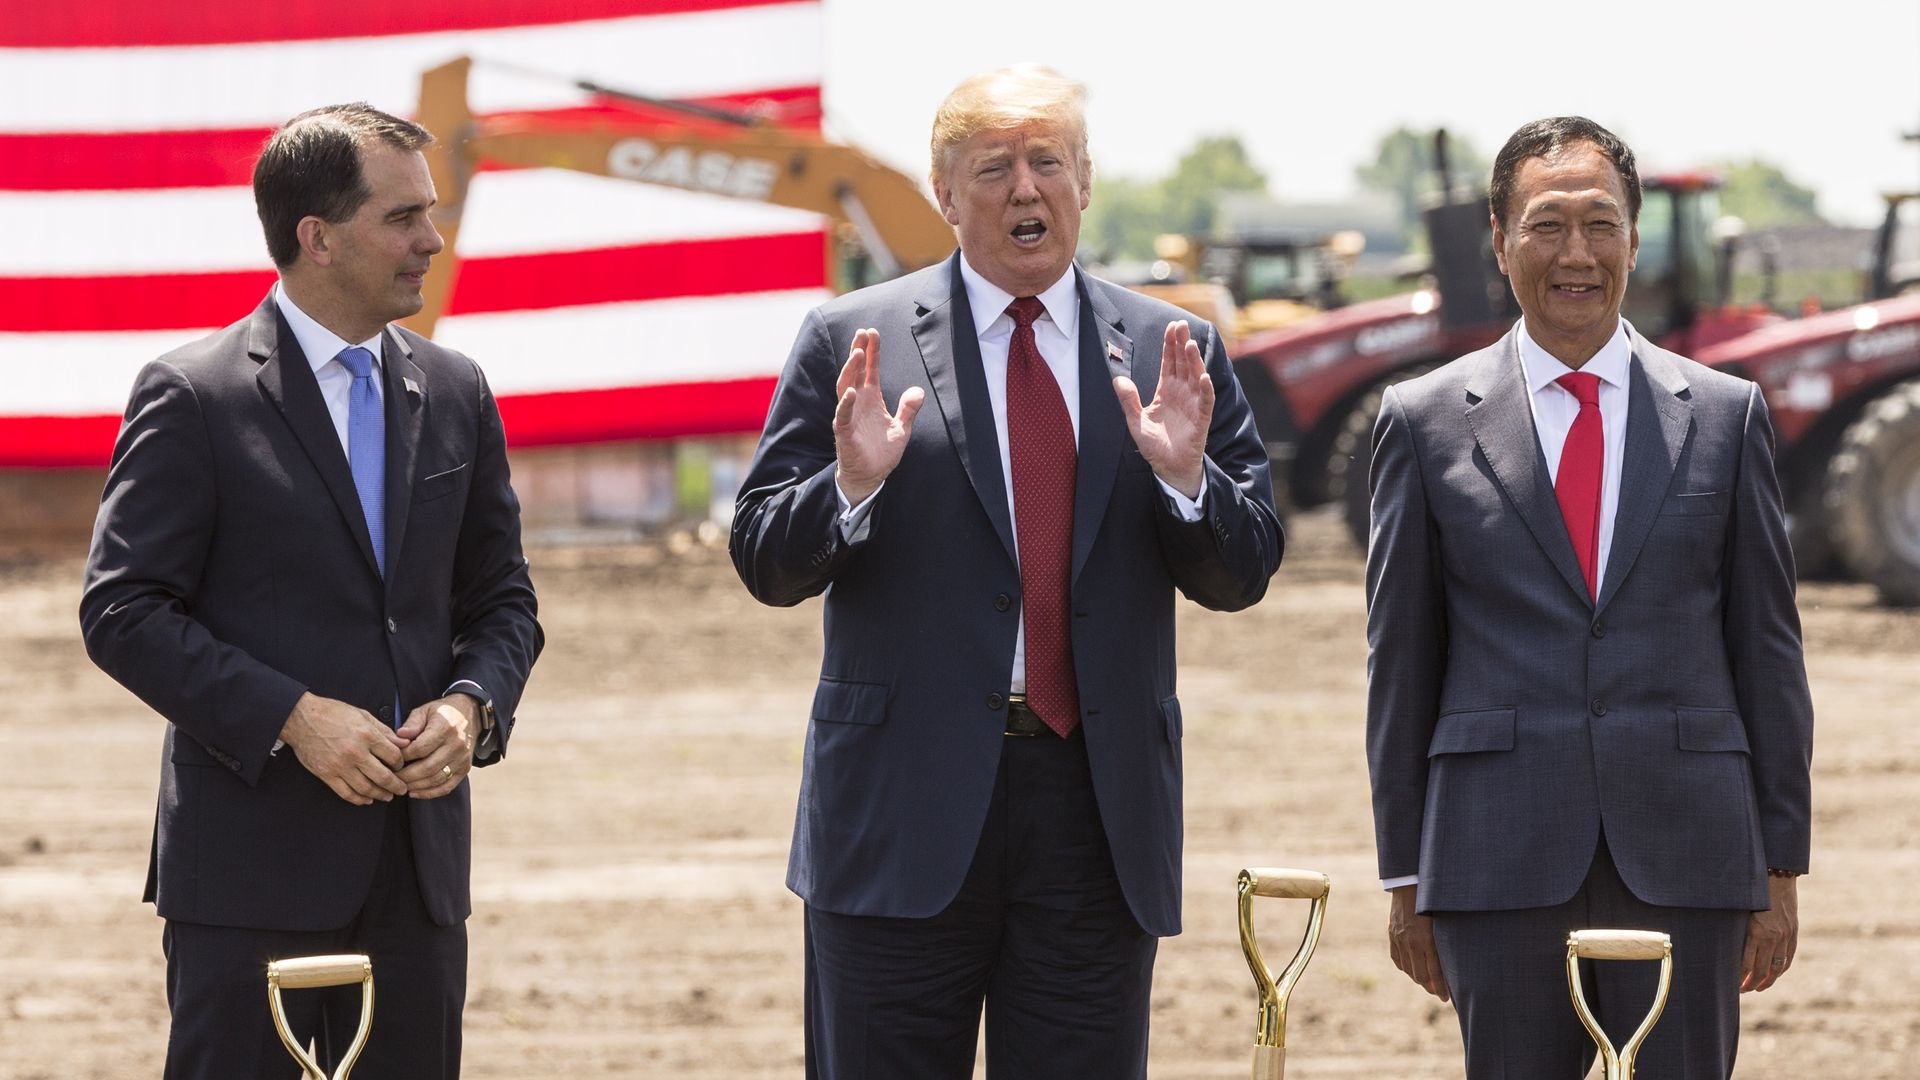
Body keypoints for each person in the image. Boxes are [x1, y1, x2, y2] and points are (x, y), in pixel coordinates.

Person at [731, 65, 1282, 1079]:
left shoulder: (1172, 348)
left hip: (1095, 819)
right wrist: (849, 486)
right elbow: (765, 558)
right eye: (994, 168)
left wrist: (1186, 478)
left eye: (1049, 163)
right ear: (945, 194)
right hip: (900, 816)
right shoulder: (851, 342)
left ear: (1086, 181)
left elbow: (1242, 573)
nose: (1027, 188)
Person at [79, 103, 543, 1079]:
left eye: (430, 212)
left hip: (416, 879)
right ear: (317, 237)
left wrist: (471, 707)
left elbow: (503, 598)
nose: (432, 239)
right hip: (249, 875)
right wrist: (294, 718)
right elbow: (122, 612)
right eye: (403, 217)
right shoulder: (193, 395)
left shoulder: (456, 390)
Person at [1364, 116, 1813, 1079]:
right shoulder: (1423, 422)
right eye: (1548, 225)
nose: (1577, 253)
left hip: (1689, 852)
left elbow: (1768, 652)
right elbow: (1400, 663)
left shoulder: (1725, 416)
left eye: (1601, 224)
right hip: (1496, 856)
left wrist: (1779, 862)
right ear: (1500, 239)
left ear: (1634, 239)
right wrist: (1406, 871)